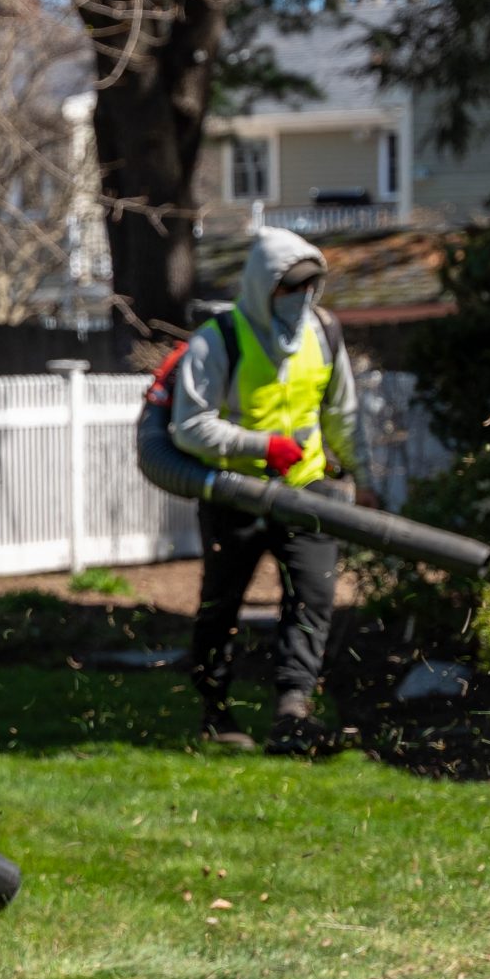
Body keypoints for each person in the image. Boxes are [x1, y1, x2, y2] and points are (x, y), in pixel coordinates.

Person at [169, 226, 367, 755]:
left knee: (313, 599)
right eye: (290, 289)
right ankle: (216, 709)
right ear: (264, 287)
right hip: (236, 495)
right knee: (221, 605)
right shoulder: (219, 340)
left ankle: (292, 708)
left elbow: (342, 413)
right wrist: (260, 447)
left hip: (305, 490)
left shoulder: (323, 332)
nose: (301, 299)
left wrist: (358, 474)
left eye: (310, 288)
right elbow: (189, 426)